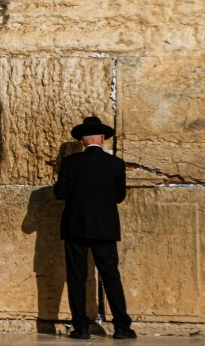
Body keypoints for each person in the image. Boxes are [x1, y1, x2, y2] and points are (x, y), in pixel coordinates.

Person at [54, 117, 136, 340]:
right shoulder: (115, 164)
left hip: (75, 227)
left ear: (82, 140)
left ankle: (81, 328)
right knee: (110, 276)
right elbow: (119, 197)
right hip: (105, 228)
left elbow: (59, 193)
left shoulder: (71, 163)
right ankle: (122, 327)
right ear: (101, 138)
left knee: (76, 277)